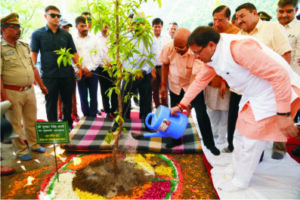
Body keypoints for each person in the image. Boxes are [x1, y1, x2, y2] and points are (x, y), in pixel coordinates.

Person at [171, 26, 300, 191]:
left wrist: (283, 114)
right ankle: (236, 168)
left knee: (251, 139)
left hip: (270, 92)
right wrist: (182, 104)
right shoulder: (211, 56)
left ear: (211, 45)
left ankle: (241, 181)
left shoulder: (239, 49)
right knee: (239, 133)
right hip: (252, 93)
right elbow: (200, 81)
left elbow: (279, 75)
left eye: (197, 52)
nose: (195, 57)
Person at [236, 2, 292, 159]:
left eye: (242, 16)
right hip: (252, 87)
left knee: (278, 114)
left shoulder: (272, 28)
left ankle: (279, 148)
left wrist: (280, 81)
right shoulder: (240, 36)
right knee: (256, 120)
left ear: (254, 13)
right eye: (237, 18)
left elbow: (285, 54)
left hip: (274, 83)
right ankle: (257, 154)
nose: (239, 20)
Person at [159, 28, 219, 154]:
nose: (178, 50)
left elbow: (198, 78)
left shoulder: (196, 52)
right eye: (176, 47)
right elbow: (165, 65)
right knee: (174, 114)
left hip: (192, 86)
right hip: (175, 86)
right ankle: (174, 139)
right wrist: (163, 85)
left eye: (181, 48)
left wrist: (188, 101)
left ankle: (210, 144)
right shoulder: (169, 47)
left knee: (201, 114)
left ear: (188, 44)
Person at [1, 13, 48, 161]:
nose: (18, 29)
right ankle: (21, 150)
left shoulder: (24, 46)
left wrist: (41, 85)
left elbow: (33, 68)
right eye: (14, 27)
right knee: (14, 124)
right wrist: (4, 97)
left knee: (31, 120)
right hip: (11, 92)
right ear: (4, 30)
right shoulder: (1, 49)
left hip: (29, 90)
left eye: (19, 26)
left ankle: (34, 145)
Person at [30, 5, 83, 130]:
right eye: (53, 15)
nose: (56, 18)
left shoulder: (66, 35)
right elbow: (34, 55)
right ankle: (53, 128)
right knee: (51, 103)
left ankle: (68, 125)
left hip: (66, 75)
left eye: (58, 16)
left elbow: (73, 53)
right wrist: (33, 72)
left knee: (67, 103)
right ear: (45, 16)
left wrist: (79, 67)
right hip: (49, 76)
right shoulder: (37, 34)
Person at [116, 12, 153, 130]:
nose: (138, 26)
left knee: (146, 100)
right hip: (129, 74)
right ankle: (122, 123)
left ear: (145, 24)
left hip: (145, 74)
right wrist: (133, 71)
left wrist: (144, 71)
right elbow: (122, 56)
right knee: (124, 98)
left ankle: (147, 125)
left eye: (141, 24)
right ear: (133, 24)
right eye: (136, 24)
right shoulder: (126, 37)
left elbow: (153, 57)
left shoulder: (150, 38)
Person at [208, 5, 239, 147]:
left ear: (228, 19)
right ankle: (213, 132)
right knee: (212, 107)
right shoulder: (212, 33)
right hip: (210, 77)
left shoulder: (236, 33)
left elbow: (233, 60)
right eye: (214, 20)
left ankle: (222, 136)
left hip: (228, 79)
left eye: (220, 20)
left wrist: (223, 82)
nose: (216, 23)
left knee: (224, 109)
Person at [73, 16, 102, 117]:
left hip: (93, 71)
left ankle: (93, 115)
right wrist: (80, 69)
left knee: (94, 94)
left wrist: (89, 69)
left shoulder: (94, 39)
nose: (85, 28)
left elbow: (99, 56)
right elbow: (71, 58)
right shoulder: (73, 40)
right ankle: (85, 115)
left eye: (86, 26)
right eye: (82, 26)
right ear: (76, 26)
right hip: (79, 72)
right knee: (82, 95)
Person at [277, 0, 300, 122]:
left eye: (289, 11)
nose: (284, 14)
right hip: (275, 80)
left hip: (294, 79)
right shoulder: (273, 28)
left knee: (292, 118)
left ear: (296, 11)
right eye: (281, 11)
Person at [57, 18, 80, 122]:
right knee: (58, 96)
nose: (66, 29)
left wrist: (77, 69)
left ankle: (74, 113)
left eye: (67, 27)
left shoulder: (70, 39)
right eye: (64, 27)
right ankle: (60, 114)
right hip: (56, 71)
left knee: (72, 94)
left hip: (70, 70)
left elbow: (75, 56)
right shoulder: (55, 39)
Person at [97, 25, 118, 118]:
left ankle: (114, 110)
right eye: (103, 26)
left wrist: (112, 64)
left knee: (114, 89)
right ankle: (107, 111)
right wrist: (104, 64)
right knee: (104, 90)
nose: (105, 28)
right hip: (102, 68)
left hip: (114, 67)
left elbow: (118, 52)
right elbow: (96, 54)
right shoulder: (96, 38)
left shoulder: (114, 37)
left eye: (107, 26)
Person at [151, 18, 170, 108]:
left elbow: (169, 52)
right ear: (152, 27)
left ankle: (165, 107)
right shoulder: (150, 38)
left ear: (162, 27)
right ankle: (157, 107)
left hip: (163, 67)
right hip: (153, 68)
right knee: (154, 89)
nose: (157, 28)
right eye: (155, 27)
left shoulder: (166, 38)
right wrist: (151, 69)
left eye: (159, 26)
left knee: (164, 88)